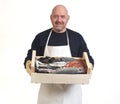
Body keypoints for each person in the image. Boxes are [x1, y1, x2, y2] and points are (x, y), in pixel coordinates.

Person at [24, 4, 94, 104]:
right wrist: (29, 66)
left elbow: (89, 59)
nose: (59, 20)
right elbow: (29, 58)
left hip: (72, 96)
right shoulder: (41, 37)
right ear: (50, 18)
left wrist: (89, 66)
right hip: (48, 95)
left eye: (62, 16)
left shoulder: (77, 38)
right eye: (55, 16)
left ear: (68, 18)